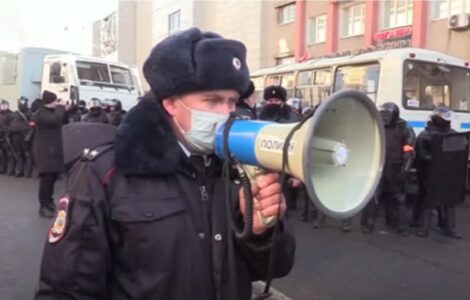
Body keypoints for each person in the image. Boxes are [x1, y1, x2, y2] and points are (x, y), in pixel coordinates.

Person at [35, 27, 295, 300]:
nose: (227, 113)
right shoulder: (107, 171)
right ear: (171, 103)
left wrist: (261, 233)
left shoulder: (237, 169)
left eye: (232, 101)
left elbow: (275, 267)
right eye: (213, 101)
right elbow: (66, 288)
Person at [360, 102, 414, 236]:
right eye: (382, 114)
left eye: (387, 114)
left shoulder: (404, 128)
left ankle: (401, 226)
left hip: (396, 166)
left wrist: (405, 168)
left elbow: (409, 150)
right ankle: (370, 223)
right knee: (375, 195)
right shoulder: (376, 126)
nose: (384, 117)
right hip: (379, 165)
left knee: (399, 197)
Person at [414, 106, 463, 238]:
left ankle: (450, 228)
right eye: (445, 119)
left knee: (450, 201)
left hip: (447, 173)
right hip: (431, 174)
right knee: (429, 201)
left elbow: (458, 153)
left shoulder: (452, 133)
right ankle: (424, 228)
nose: (448, 121)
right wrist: (438, 158)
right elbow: (421, 155)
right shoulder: (425, 135)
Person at [32, 91, 66, 218]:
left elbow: (62, 120)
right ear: (52, 101)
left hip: (52, 150)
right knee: (46, 179)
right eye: (56, 101)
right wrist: (61, 108)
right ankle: (43, 206)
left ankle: (49, 202)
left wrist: (65, 109)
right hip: (45, 151)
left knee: (52, 178)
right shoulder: (41, 113)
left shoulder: (50, 112)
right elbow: (56, 121)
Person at [9, 97, 34, 177]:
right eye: (20, 103)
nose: (21, 104)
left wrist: (29, 135)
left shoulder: (29, 113)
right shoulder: (14, 114)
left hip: (25, 135)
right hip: (15, 136)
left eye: (23, 103)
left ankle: (28, 172)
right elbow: (10, 124)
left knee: (27, 154)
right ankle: (19, 171)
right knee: (18, 154)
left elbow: (33, 126)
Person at [0, 99, 14, 175]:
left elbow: (12, 125)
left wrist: (8, 133)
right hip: (0, 136)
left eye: (4, 105)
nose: (3, 106)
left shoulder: (11, 114)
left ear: (8, 106)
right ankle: (2, 168)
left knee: (9, 154)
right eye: (2, 105)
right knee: (2, 154)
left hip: (7, 136)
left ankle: (10, 170)